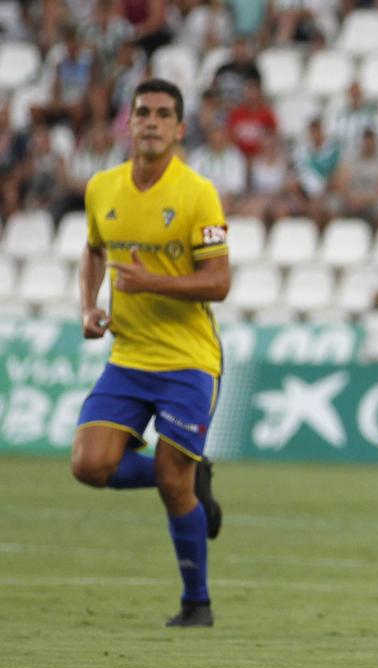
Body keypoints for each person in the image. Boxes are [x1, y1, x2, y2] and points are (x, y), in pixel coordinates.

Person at [70, 79, 229, 628]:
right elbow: (93, 251)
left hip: (189, 360)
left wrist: (151, 283)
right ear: (129, 123)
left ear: (180, 129)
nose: (153, 122)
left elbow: (220, 282)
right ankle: (189, 477)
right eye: (143, 112)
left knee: (170, 481)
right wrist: (88, 306)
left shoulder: (197, 193)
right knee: (89, 466)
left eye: (164, 114)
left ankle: (197, 603)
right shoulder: (102, 188)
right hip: (130, 356)